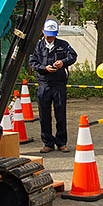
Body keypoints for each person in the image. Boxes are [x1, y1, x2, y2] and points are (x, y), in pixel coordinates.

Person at [29, 19, 77, 153]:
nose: (49, 37)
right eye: (47, 34)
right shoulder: (37, 46)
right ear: (43, 32)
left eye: (52, 34)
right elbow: (32, 62)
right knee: (44, 115)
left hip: (59, 85)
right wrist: (44, 68)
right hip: (44, 84)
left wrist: (63, 62)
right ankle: (48, 143)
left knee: (60, 114)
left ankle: (61, 142)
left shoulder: (63, 45)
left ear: (56, 33)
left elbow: (73, 56)